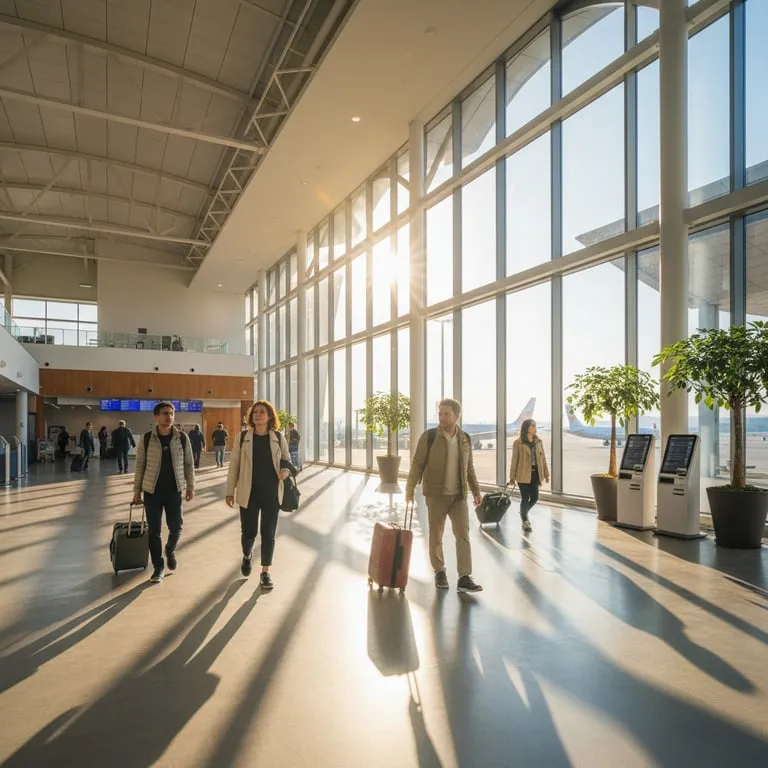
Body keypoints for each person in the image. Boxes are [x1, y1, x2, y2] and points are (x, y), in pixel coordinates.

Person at [405, 398, 483, 594]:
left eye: (446, 414)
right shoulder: (429, 437)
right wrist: (409, 489)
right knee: (436, 536)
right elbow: (417, 464)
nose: (442, 417)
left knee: (463, 535)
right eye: (440, 414)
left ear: (457, 416)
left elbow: (469, 468)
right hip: (436, 495)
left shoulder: (464, 438)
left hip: (459, 496)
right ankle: (440, 571)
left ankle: (464, 576)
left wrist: (476, 491)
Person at [225, 400, 291, 591]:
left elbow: (286, 460)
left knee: (268, 533)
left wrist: (285, 471)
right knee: (249, 532)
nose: (258, 415)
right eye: (255, 412)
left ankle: (265, 572)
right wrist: (230, 491)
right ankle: (247, 555)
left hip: (271, 493)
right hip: (249, 493)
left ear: (270, 416)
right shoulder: (243, 437)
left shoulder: (278, 437)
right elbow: (234, 466)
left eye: (262, 412)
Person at [132, 402, 195, 584]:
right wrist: (137, 491)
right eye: (165, 413)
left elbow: (189, 464)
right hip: (152, 492)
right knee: (154, 532)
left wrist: (190, 486)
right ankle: (158, 567)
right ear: (156, 417)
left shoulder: (182, 438)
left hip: (174, 491)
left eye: (172, 413)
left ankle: (170, 549)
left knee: (176, 528)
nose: (169, 416)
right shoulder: (146, 439)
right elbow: (140, 466)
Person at [509, 418, 550, 533]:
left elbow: (543, 459)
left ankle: (523, 511)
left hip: (536, 473)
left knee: (535, 497)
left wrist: (546, 473)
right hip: (522, 474)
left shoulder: (538, 442)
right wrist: (512, 476)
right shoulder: (518, 443)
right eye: (532, 426)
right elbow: (514, 460)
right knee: (525, 497)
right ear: (526, 428)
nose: (534, 428)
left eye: (535, 426)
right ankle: (525, 521)